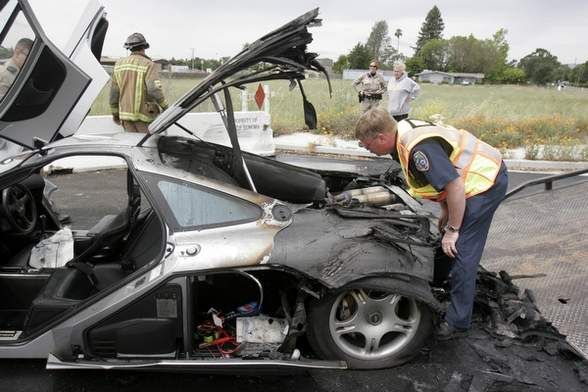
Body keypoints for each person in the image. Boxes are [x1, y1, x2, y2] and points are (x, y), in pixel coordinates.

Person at [355, 109, 508, 339]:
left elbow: (455, 185)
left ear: (381, 138)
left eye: (367, 146)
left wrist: (453, 230)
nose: (368, 150)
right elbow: (445, 177)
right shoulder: (400, 134)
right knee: (447, 237)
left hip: (484, 182)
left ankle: (457, 322)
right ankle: (440, 280)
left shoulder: (418, 150)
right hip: (467, 180)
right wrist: (446, 212)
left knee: (463, 250)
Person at [110, 33, 168, 133]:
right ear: (144, 47)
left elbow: (114, 93)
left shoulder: (119, 65)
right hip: (144, 118)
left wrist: (115, 114)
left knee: (132, 147)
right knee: (146, 147)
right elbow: (154, 89)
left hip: (125, 117)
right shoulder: (148, 64)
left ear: (129, 48)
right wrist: (165, 107)